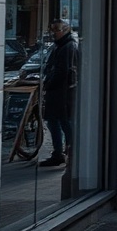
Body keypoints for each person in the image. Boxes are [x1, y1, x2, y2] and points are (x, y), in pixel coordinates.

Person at [38, 19, 79, 167]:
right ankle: (62, 152)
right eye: (53, 30)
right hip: (59, 91)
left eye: (57, 30)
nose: (53, 33)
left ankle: (67, 152)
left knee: (62, 121)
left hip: (62, 92)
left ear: (65, 31)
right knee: (57, 121)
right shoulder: (61, 46)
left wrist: (49, 83)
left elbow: (62, 71)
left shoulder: (67, 46)